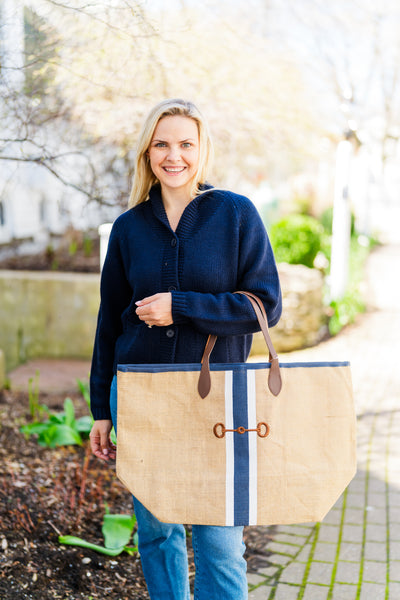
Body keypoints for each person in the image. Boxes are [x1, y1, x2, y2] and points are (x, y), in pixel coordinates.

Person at [89, 98, 282, 600]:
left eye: (185, 144)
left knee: (219, 540)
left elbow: (265, 304)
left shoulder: (235, 214)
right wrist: (100, 409)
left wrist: (183, 306)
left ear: (201, 151)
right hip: (140, 396)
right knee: (157, 533)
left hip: (217, 399)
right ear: (147, 152)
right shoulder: (129, 228)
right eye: (162, 144)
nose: (174, 156)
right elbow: (109, 323)